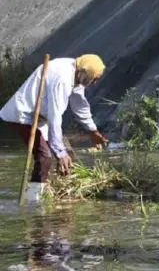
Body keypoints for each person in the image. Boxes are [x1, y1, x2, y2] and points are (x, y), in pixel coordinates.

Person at [0, 55, 108, 202]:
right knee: (45, 157)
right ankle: (35, 200)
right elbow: (55, 116)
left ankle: (62, 190)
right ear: (82, 72)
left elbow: (79, 105)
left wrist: (93, 131)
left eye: (97, 79)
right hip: (23, 116)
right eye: (93, 78)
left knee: (68, 153)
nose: (94, 83)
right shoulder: (63, 78)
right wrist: (59, 152)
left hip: (42, 117)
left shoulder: (76, 73)